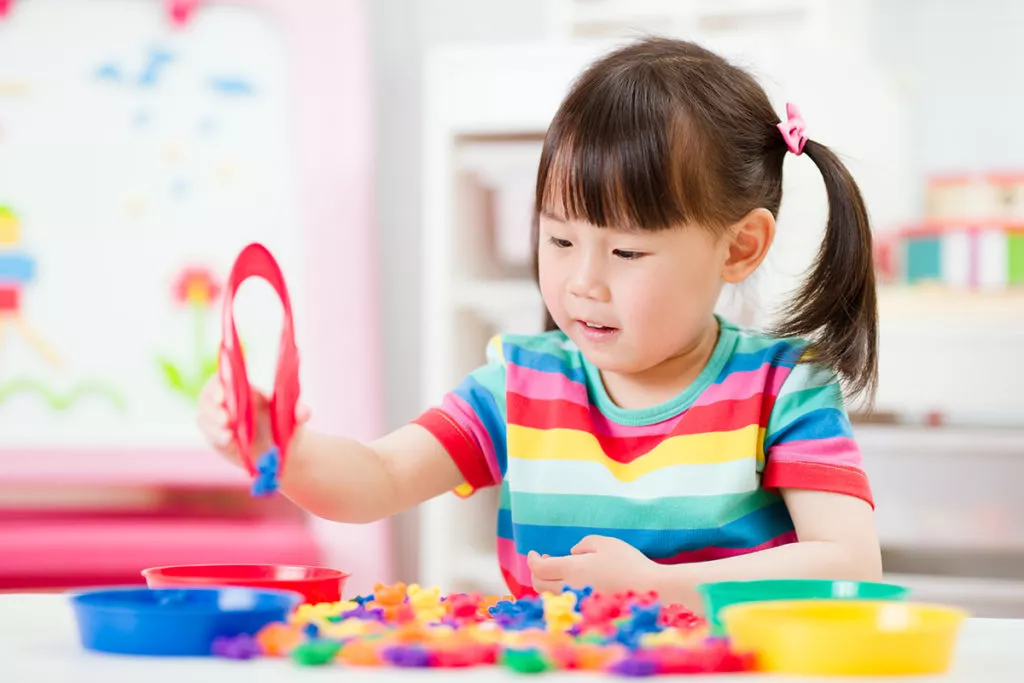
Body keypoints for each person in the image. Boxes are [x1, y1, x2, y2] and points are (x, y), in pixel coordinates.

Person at [198, 37, 882, 607]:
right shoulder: (519, 387)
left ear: (739, 247)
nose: (582, 281)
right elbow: (378, 476)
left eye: (626, 251)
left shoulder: (782, 390)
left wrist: (661, 587)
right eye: (558, 240)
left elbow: (849, 563)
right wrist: (281, 447)